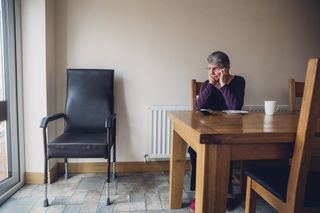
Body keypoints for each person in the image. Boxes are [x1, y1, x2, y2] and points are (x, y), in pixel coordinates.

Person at [188, 51, 245, 212]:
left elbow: (235, 107)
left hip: (231, 129)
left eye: (215, 69)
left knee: (225, 150)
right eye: (209, 69)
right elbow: (199, 106)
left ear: (225, 69)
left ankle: (226, 192)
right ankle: (200, 191)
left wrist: (224, 85)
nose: (211, 73)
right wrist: (212, 85)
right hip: (209, 128)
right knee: (194, 150)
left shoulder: (239, 81)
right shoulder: (208, 84)